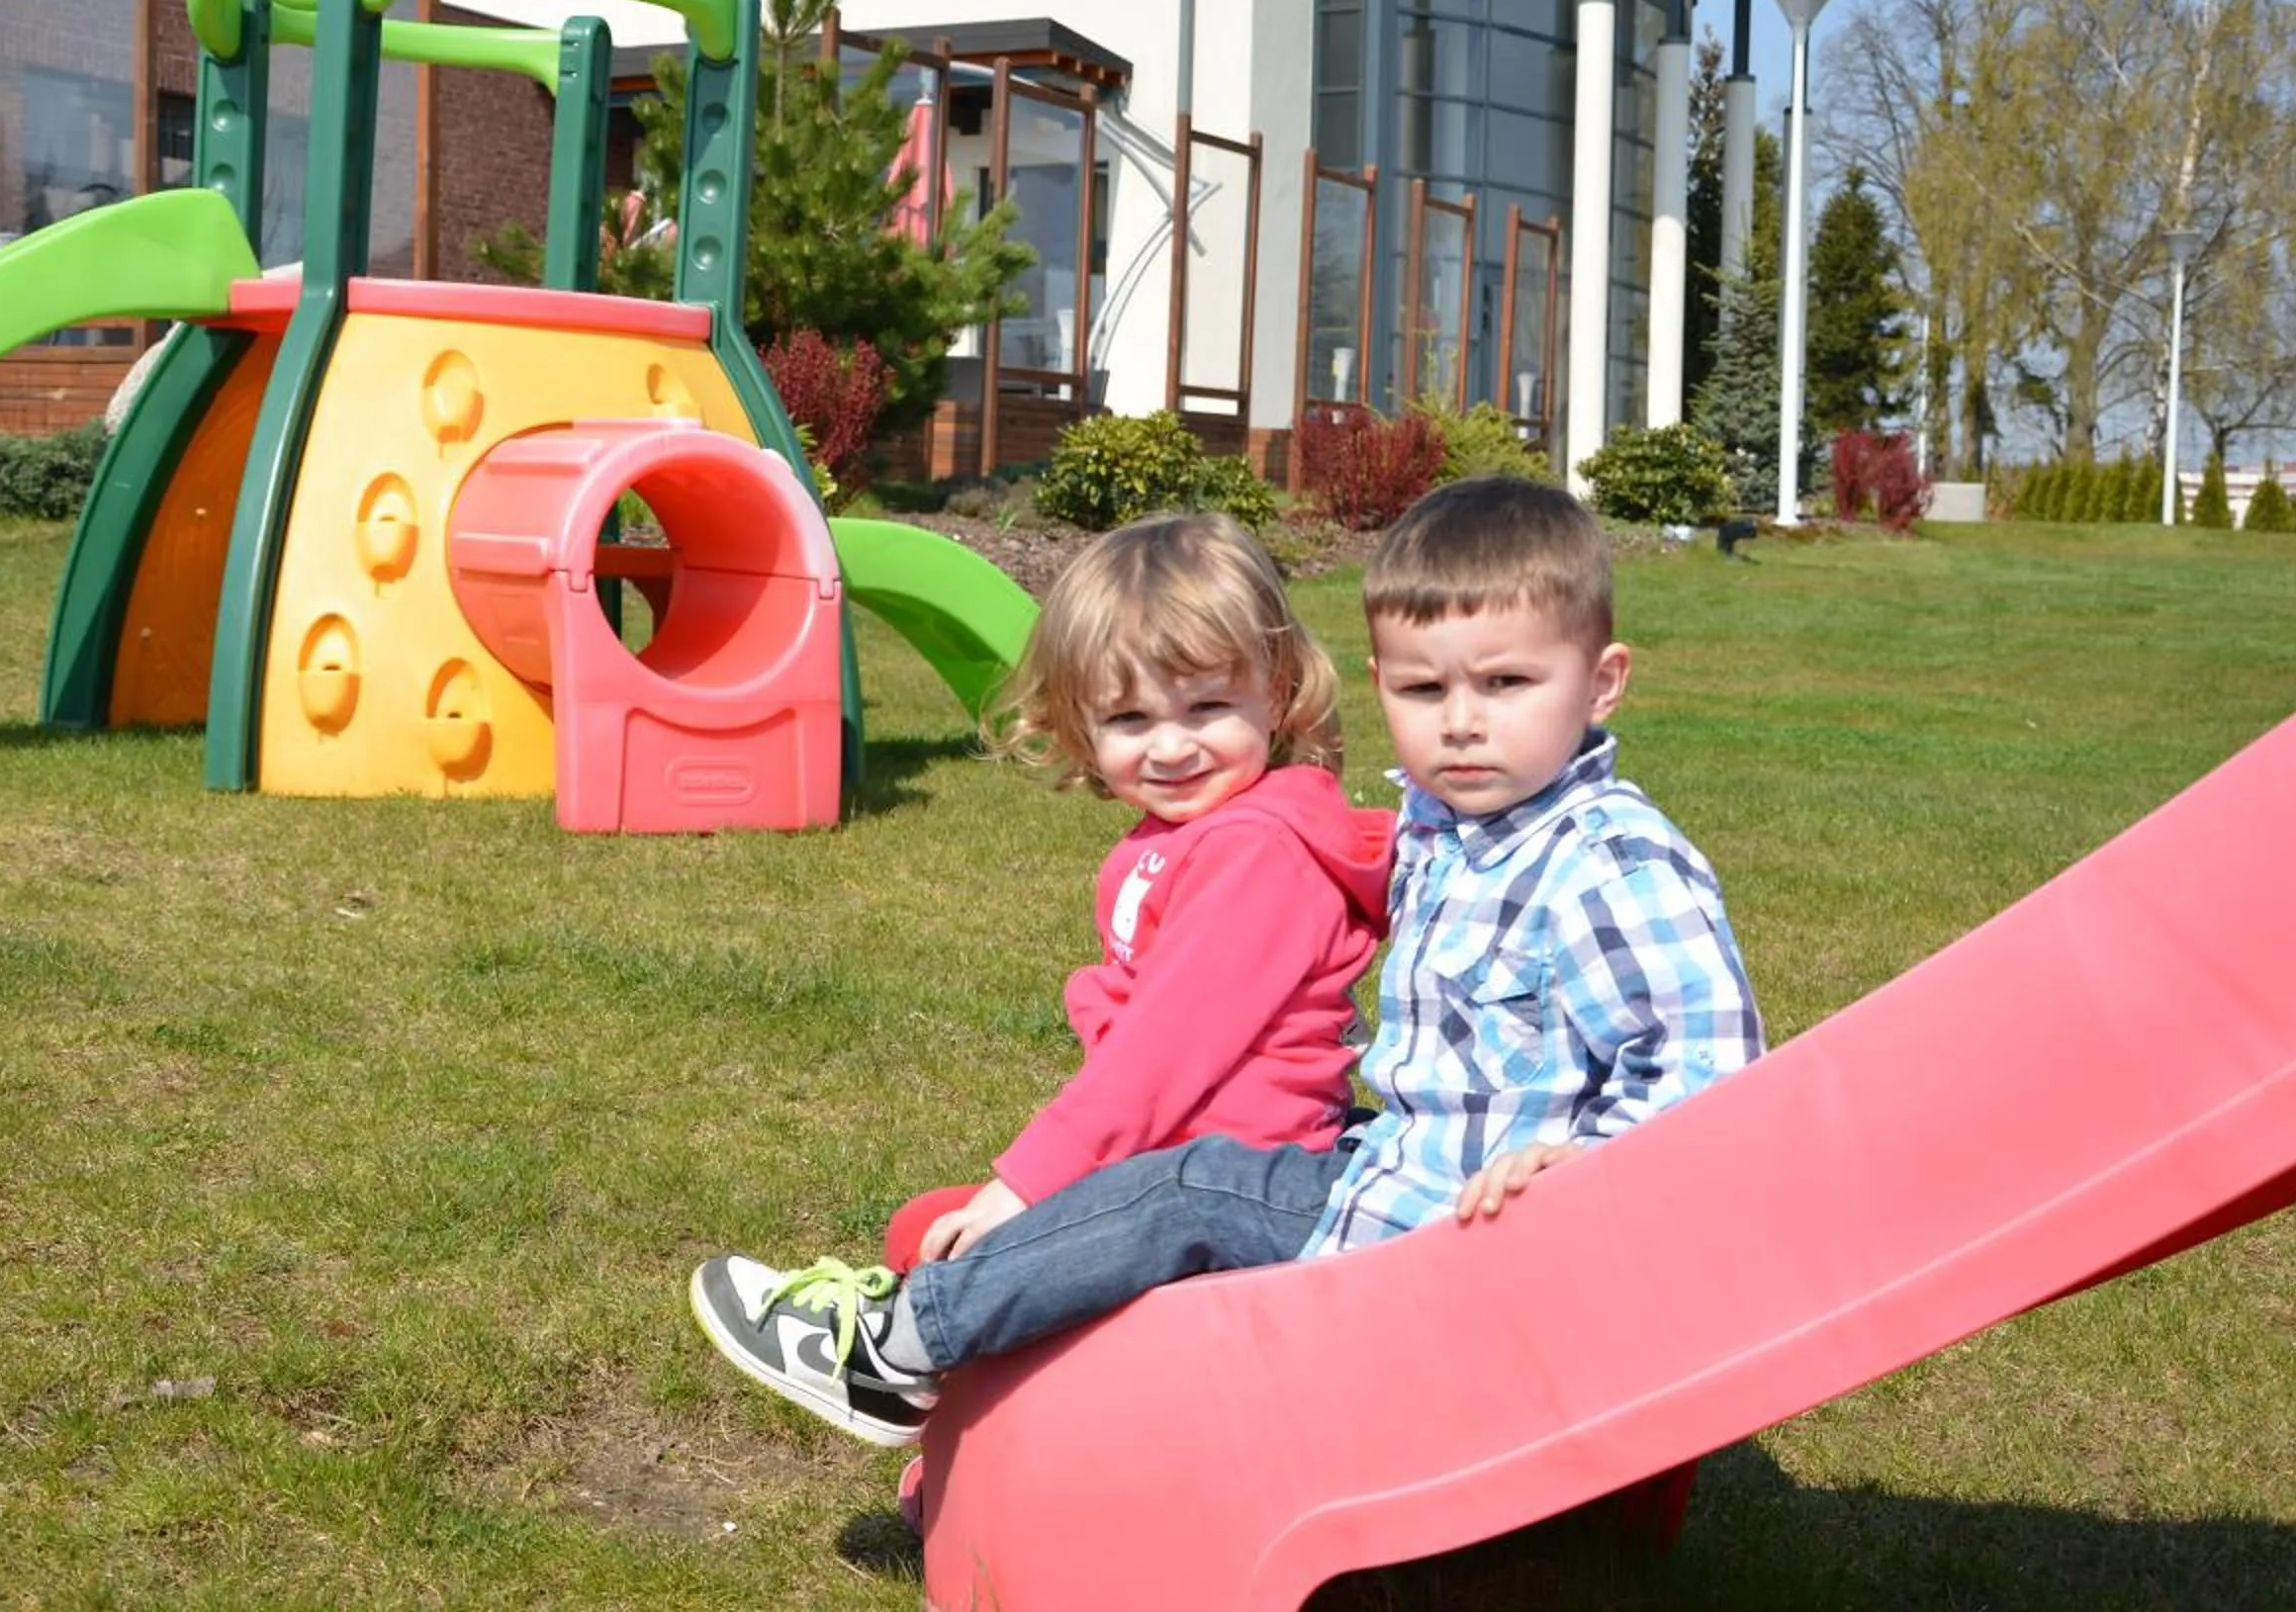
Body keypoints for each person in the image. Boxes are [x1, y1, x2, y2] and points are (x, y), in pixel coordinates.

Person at [689, 474, 1765, 1451]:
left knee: (1193, 1187)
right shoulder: (1452, 827)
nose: (1463, 725)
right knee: (1170, 1185)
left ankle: (893, 1351)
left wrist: (1588, 1168)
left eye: (1507, 682)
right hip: (1399, 1174)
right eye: (1425, 691)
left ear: (1604, 679)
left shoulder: (1610, 863)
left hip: (1464, 1247)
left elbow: (1711, 1082)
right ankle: (993, 1442)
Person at [875, 510, 1393, 1276]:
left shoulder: (1258, 855)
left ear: (1276, 696)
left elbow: (1164, 1051)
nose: (1172, 746)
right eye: (1129, 718)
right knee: (925, 1230)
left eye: (1207, 707)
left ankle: (911, 1359)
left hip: (1217, 1185)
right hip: (1163, 1155)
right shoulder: (1188, 835)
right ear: (1081, 728)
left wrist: (1029, 1182)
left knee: (949, 1250)